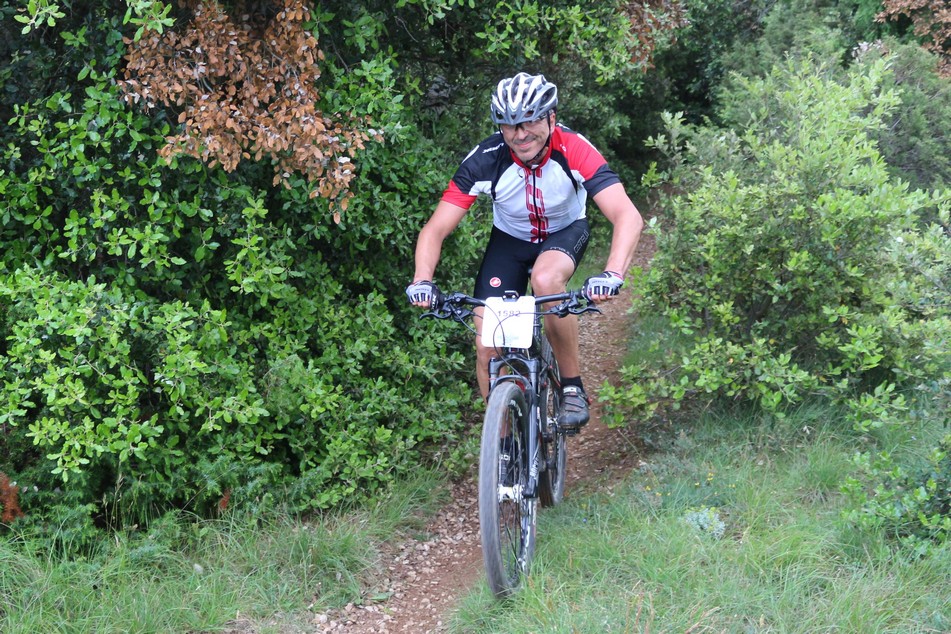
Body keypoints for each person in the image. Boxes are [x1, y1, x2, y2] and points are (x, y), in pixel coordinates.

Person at [406, 72, 643, 431]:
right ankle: (502, 447)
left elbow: (627, 215)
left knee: (546, 279)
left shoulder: (574, 149)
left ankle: (572, 387)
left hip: (564, 232)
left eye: (529, 121)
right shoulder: (486, 159)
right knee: (487, 345)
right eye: (509, 125)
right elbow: (435, 229)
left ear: (551, 118)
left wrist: (612, 273)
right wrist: (422, 280)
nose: (519, 134)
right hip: (510, 242)